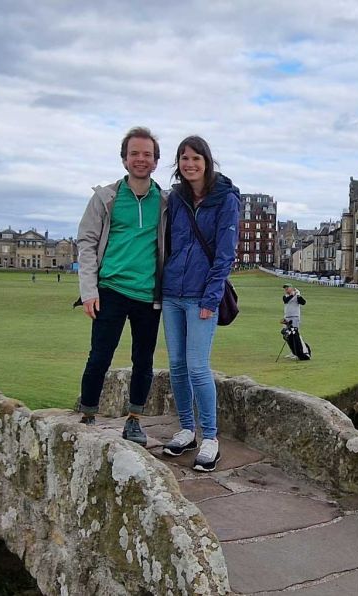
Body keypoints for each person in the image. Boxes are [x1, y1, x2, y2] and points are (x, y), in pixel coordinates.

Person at [75, 126, 168, 446]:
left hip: (148, 294)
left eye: (147, 154)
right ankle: (87, 414)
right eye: (134, 154)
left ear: (156, 161)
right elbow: (86, 243)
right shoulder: (106, 198)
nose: (140, 159)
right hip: (110, 289)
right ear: (124, 159)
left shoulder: (167, 202)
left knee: (144, 360)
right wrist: (88, 291)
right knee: (99, 356)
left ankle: (134, 420)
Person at [160, 136, 239, 472]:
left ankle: (210, 437)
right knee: (176, 365)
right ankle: (187, 430)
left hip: (200, 296)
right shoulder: (176, 198)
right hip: (171, 293)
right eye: (183, 158)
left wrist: (210, 297)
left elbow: (225, 254)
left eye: (195, 158)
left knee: (197, 366)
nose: (189, 164)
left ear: (207, 161)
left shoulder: (226, 198)